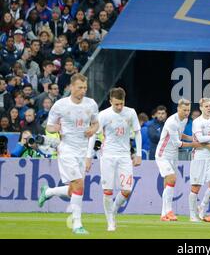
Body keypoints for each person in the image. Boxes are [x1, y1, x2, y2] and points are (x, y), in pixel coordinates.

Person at [37, 73, 99, 235]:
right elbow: (49, 127)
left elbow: (96, 124)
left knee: (73, 189)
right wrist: (55, 128)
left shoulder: (91, 104)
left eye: (85, 88)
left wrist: (92, 130)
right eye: (80, 87)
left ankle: (48, 191)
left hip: (82, 149)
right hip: (66, 150)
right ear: (71, 87)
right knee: (79, 185)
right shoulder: (60, 105)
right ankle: (77, 224)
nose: (83, 91)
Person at [86, 87, 142, 231]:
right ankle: (110, 221)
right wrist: (88, 157)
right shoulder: (103, 115)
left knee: (127, 190)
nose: (119, 107)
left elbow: (137, 133)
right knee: (108, 190)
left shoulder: (131, 113)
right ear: (110, 101)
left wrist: (139, 154)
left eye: (121, 103)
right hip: (108, 155)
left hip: (124, 156)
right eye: (116, 104)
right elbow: (94, 135)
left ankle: (114, 211)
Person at [155, 99, 202, 222]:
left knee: (168, 183)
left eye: (188, 110)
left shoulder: (185, 120)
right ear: (178, 109)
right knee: (172, 178)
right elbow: (177, 143)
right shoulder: (172, 122)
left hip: (173, 156)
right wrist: (194, 144)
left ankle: (163, 214)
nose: (187, 113)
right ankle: (169, 211)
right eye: (184, 110)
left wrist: (191, 138)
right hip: (163, 154)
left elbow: (180, 135)